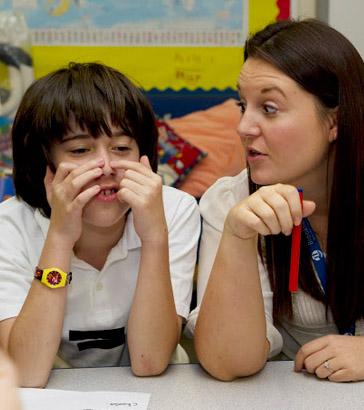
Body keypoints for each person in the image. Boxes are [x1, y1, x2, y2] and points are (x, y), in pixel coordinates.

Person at [0, 62, 200, 387]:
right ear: (44, 162)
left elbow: (150, 361)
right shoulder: (9, 227)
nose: (105, 167)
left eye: (122, 148)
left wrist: (154, 238)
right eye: (80, 150)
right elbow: (27, 373)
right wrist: (60, 239)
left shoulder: (175, 210)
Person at [189, 18, 364, 382]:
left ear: (336, 121)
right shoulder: (230, 200)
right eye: (243, 105)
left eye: (268, 108)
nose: (243, 127)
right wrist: (239, 236)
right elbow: (229, 362)